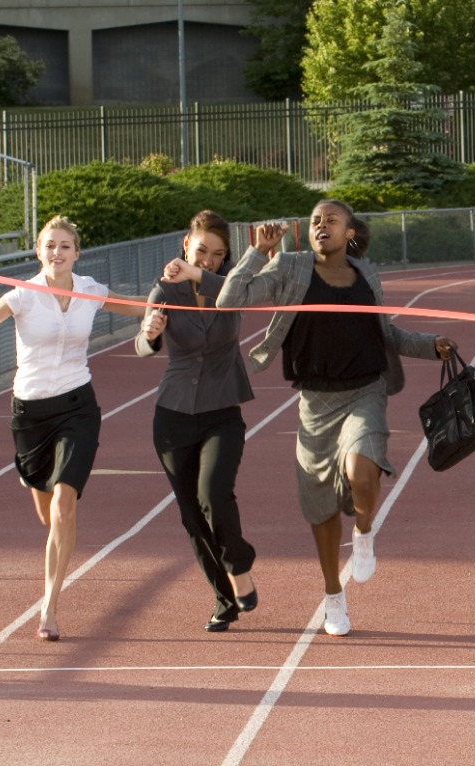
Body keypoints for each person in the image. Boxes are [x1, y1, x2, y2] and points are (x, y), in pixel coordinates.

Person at [170, 200, 455, 637]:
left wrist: (429, 344)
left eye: (332, 220)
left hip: (365, 392)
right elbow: (230, 301)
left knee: (363, 471)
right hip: (315, 402)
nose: (322, 225)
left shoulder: (367, 275)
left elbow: (387, 334)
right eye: (316, 220)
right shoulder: (289, 267)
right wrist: (257, 253)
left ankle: (363, 531)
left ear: (348, 232)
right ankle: (333, 597)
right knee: (320, 511)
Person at [0, 215, 148, 641]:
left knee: (64, 505)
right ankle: (59, 552)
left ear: (77, 253)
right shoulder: (22, 296)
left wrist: (189, 295)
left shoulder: (91, 291)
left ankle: (49, 608)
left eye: (65, 246)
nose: (57, 253)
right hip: (30, 415)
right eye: (49, 245)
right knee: (48, 517)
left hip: (77, 407)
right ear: (38, 251)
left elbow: (141, 304)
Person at [136, 210, 259, 633]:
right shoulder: (163, 290)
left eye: (217, 254)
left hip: (223, 411)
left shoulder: (230, 286)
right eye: (200, 250)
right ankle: (224, 598)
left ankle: (239, 568)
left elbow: (243, 293)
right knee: (192, 515)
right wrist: (150, 332)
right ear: (186, 243)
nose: (207, 259)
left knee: (214, 493)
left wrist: (196, 273)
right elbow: (141, 344)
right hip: (172, 417)